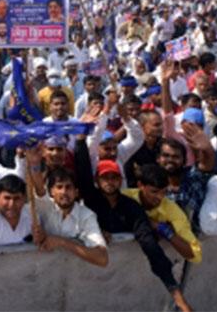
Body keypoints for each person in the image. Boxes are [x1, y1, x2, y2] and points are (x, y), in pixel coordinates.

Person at [69, 127, 192, 311]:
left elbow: (149, 245)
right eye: (105, 178)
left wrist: (176, 295)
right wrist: (80, 140)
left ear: (121, 180)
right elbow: (83, 170)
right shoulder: (91, 198)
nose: (110, 182)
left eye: (114, 178)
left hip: (122, 280)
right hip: (81, 277)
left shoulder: (131, 206)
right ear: (98, 180)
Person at [27, 154, 108, 267]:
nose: (64, 192)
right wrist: (35, 163)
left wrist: (62, 242)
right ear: (51, 192)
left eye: (68, 187)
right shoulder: (45, 207)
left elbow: (102, 258)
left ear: (76, 192)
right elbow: (39, 188)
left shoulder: (86, 216)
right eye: (59, 187)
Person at [123, 165, 202, 264]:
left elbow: (195, 254)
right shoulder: (123, 197)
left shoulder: (172, 210)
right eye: (154, 192)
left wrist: (164, 229)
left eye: (164, 192)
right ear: (140, 185)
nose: (160, 197)